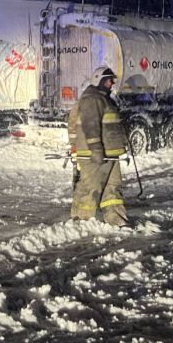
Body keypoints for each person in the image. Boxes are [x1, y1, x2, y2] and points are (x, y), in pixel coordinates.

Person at [70, 66, 129, 226]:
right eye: (109, 80)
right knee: (91, 188)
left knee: (113, 188)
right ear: (99, 80)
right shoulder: (92, 98)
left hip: (110, 154)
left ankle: (116, 219)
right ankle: (80, 220)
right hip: (96, 154)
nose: (112, 84)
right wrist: (95, 148)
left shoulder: (104, 99)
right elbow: (91, 125)